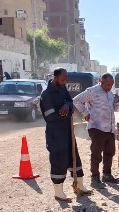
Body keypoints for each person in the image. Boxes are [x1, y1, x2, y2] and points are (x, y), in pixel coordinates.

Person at [40, 67, 91, 202]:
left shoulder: (63, 88)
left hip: (68, 131)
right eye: (63, 79)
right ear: (55, 77)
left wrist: (67, 106)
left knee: (74, 157)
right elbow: (50, 116)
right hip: (55, 134)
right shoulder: (46, 94)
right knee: (58, 160)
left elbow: (70, 103)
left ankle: (79, 186)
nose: (65, 81)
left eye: (66, 78)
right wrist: (66, 112)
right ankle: (59, 192)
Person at [73, 73, 119, 188]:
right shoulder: (92, 91)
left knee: (110, 152)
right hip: (96, 127)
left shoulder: (110, 94)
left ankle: (107, 175)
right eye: (108, 84)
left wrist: (117, 101)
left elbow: (116, 109)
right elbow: (76, 100)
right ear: (101, 82)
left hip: (109, 128)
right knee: (96, 153)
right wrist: (85, 113)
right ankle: (94, 178)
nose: (110, 86)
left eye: (111, 84)